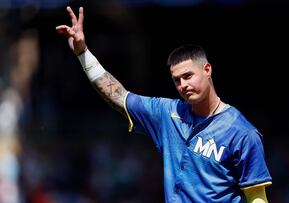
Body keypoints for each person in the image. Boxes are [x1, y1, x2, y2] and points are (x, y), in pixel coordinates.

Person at [56, 6, 272, 203]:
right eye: (177, 80)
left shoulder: (242, 133)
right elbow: (119, 96)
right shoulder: (167, 113)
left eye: (188, 76)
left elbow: (256, 198)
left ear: (207, 70)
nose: (183, 85)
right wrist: (82, 53)